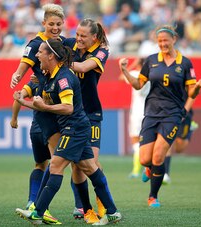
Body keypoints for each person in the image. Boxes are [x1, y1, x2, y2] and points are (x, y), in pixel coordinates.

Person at [15, 38, 121, 225]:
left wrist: (43, 107)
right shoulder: (50, 75)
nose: (37, 55)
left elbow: (68, 108)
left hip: (75, 128)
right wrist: (25, 101)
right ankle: (112, 212)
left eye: (40, 52)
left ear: (51, 56)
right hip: (72, 127)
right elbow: (42, 100)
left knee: (55, 165)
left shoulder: (64, 78)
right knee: (89, 168)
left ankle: (38, 212)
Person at [119, 24, 201, 207]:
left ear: (174, 40)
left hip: (172, 115)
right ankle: (149, 169)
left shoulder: (185, 63)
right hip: (151, 113)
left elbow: (191, 93)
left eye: (165, 41)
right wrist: (125, 71)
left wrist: (198, 87)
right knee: (145, 159)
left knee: (158, 157)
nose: (162, 44)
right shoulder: (151, 61)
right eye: (159, 41)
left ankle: (153, 196)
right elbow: (138, 85)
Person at [10, 3, 82, 223]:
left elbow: (84, 47)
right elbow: (24, 66)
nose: (55, 27)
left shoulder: (65, 43)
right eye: (51, 24)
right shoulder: (36, 44)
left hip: (56, 108)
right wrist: (18, 74)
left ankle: (72, 206)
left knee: (61, 162)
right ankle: (38, 205)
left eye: (59, 24)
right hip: (47, 109)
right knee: (53, 162)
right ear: (44, 23)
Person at [63, 18, 112, 219]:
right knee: (77, 164)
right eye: (77, 35)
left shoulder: (102, 51)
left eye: (83, 36)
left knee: (91, 161)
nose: (79, 39)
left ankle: (103, 203)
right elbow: (46, 48)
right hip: (71, 113)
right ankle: (82, 206)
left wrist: (61, 61)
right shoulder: (68, 45)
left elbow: (82, 68)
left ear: (95, 37)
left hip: (91, 113)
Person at [10, 80, 55, 222]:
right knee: (57, 166)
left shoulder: (34, 81)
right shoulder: (58, 79)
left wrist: (14, 119)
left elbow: (18, 97)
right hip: (52, 130)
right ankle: (43, 207)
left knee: (40, 165)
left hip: (36, 130)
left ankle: (31, 202)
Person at [119, 58, 150, 178]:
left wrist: (133, 64)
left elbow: (122, 77)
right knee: (148, 140)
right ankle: (148, 167)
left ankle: (136, 170)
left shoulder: (136, 74)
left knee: (136, 141)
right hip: (150, 110)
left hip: (137, 112)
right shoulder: (152, 75)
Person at [163, 98, 197, 184]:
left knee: (179, 149)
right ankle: (165, 174)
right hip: (168, 112)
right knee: (167, 141)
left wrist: (184, 112)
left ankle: (190, 129)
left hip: (184, 113)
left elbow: (194, 93)